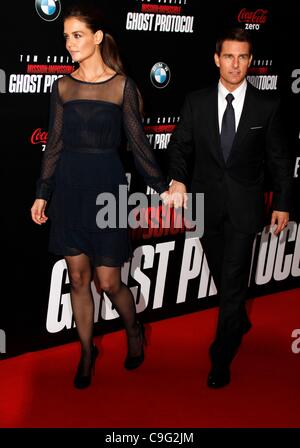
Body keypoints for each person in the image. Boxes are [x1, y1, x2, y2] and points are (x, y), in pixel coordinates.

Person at [31, 3, 169, 389]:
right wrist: (43, 193)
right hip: (70, 191)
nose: (69, 43)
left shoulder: (122, 86)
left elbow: (139, 146)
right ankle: (87, 351)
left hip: (107, 189)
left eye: (76, 35)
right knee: (78, 278)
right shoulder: (62, 86)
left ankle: (134, 329)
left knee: (108, 282)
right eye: (65, 37)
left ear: (96, 37)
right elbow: (54, 146)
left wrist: (162, 188)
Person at [167, 28, 293, 388]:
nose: (235, 64)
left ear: (250, 62)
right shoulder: (197, 101)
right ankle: (238, 316)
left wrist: (283, 202)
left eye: (242, 57)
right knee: (223, 276)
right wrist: (177, 179)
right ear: (216, 59)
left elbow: (280, 159)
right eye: (229, 56)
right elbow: (179, 147)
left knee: (234, 279)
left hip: (244, 208)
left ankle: (220, 356)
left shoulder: (267, 106)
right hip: (205, 207)